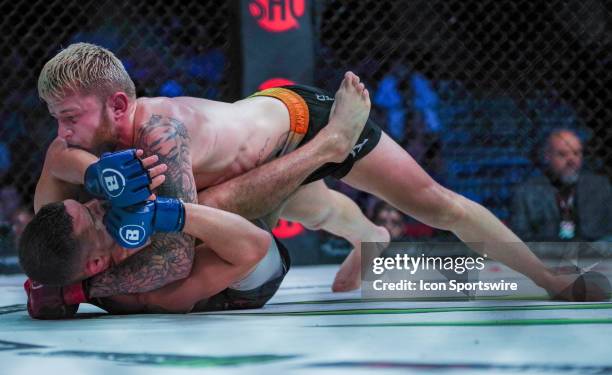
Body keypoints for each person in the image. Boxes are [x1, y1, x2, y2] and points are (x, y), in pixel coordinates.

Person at [32, 43, 599, 300]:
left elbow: (177, 254)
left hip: (307, 121)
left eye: (70, 117)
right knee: (317, 205)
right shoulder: (105, 149)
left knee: (433, 202)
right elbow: (57, 166)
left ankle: (549, 280)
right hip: (261, 143)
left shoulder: (162, 132)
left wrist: (82, 286)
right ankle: (372, 238)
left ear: (118, 107)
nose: (63, 132)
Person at [22, 196, 288, 318]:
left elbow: (58, 155)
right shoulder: (152, 288)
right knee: (210, 202)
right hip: (253, 273)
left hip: (238, 221)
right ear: (96, 263)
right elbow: (255, 246)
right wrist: (160, 211)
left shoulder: (87, 244)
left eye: (85, 203)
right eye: (93, 216)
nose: (97, 203)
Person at [511, 129, 612, 241]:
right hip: (546, 255)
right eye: (563, 154)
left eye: (576, 153)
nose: (571, 160)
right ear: (547, 156)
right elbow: (520, 237)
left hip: (594, 255)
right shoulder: (527, 192)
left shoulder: (600, 186)